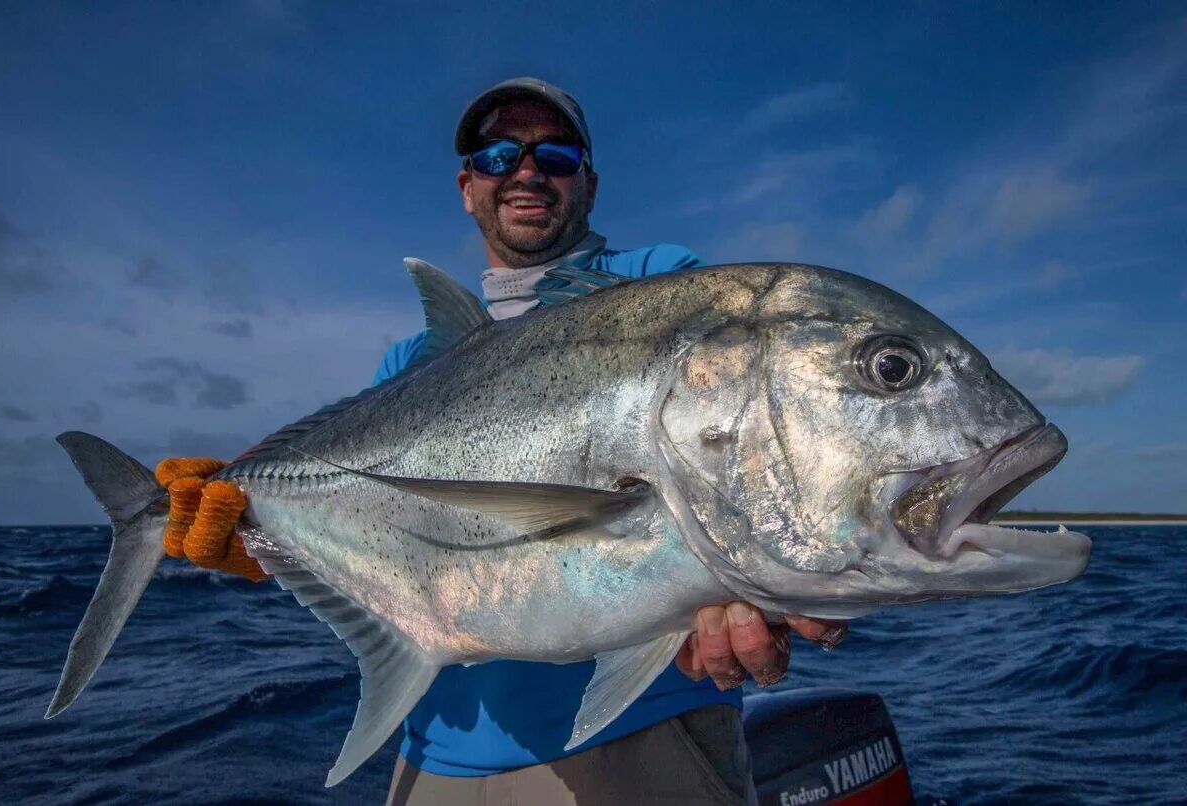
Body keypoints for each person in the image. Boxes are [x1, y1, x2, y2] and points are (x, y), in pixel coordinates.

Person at [167, 77, 844, 804]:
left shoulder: (662, 290)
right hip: (434, 753)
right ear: (467, 187)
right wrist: (261, 535)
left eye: (553, 154)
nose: (526, 171)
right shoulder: (410, 363)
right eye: (497, 155)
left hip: (636, 746)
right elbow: (377, 536)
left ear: (588, 181)